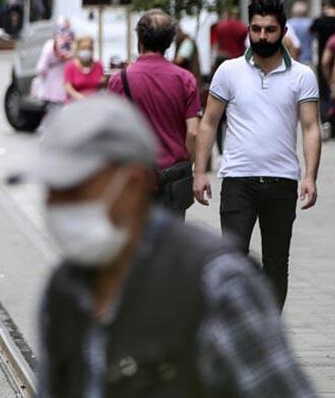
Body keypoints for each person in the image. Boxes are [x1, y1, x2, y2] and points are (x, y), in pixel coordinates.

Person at [26, 94, 317, 398]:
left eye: (74, 191)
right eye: (51, 192)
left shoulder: (215, 282)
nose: (57, 206)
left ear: (133, 184)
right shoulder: (64, 289)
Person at [194, 0, 322, 311]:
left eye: (270, 30)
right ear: (248, 30)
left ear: (283, 31)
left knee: (276, 262)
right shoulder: (229, 71)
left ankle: (270, 330)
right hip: (238, 180)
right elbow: (209, 122)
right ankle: (235, 329)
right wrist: (199, 171)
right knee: (232, 261)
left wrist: (310, 175)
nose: (262, 36)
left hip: (281, 181)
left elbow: (310, 128)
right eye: (256, 29)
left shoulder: (302, 76)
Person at [108, 9, 200, 218]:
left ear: (139, 38)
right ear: (169, 42)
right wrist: (190, 166)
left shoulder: (119, 80)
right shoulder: (184, 79)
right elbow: (193, 132)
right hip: (174, 180)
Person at [34, 18, 74, 111]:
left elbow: (41, 68)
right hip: (70, 92)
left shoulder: (49, 45)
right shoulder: (73, 45)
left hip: (51, 91)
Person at [310, 0, 335, 115]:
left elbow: (311, 31)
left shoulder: (320, 20)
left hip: (324, 56)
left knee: (324, 90)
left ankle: (326, 118)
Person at [64, 35, 103, 102]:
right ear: (78, 50)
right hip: (75, 104)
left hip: (94, 103)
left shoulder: (98, 65)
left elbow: (101, 85)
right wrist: (79, 97)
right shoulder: (70, 66)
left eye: (89, 48)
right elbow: (68, 87)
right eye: (83, 48)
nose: (86, 51)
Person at [320, 32, 335, 138]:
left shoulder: (334, 40)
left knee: (334, 101)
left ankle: (329, 124)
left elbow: (325, 62)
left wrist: (330, 81)